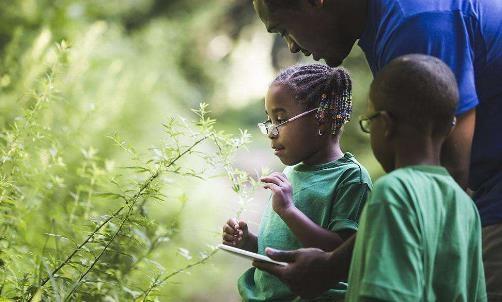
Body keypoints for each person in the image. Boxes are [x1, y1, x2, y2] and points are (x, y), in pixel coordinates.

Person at [252, 0, 502, 298]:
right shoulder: (384, 25)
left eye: (284, 29)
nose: (291, 46)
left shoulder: (417, 22)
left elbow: (444, 174)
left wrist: (332, 266)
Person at [222, 64, 372, 301]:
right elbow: (285, 248)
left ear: (322, 119)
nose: (271, 132)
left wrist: (288, 211)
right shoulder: (290, 170)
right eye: (269, 121)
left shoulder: (351, 178)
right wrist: (249, 242)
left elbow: (339, 255)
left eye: (280, 120)